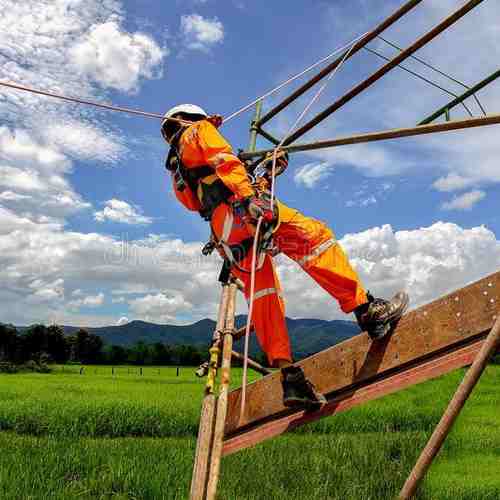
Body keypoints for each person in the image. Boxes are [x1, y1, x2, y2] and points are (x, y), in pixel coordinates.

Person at [161, 104, 409, 409]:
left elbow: (215, 191)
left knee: (264, 295)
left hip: (227, 234)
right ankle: (367, 310)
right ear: (189, 118)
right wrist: (252, 197)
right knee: (315, 240)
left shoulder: (179, 173)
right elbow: (225, 161)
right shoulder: (197, 131)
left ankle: (290, 376)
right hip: (244, 212)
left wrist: (265, 174)